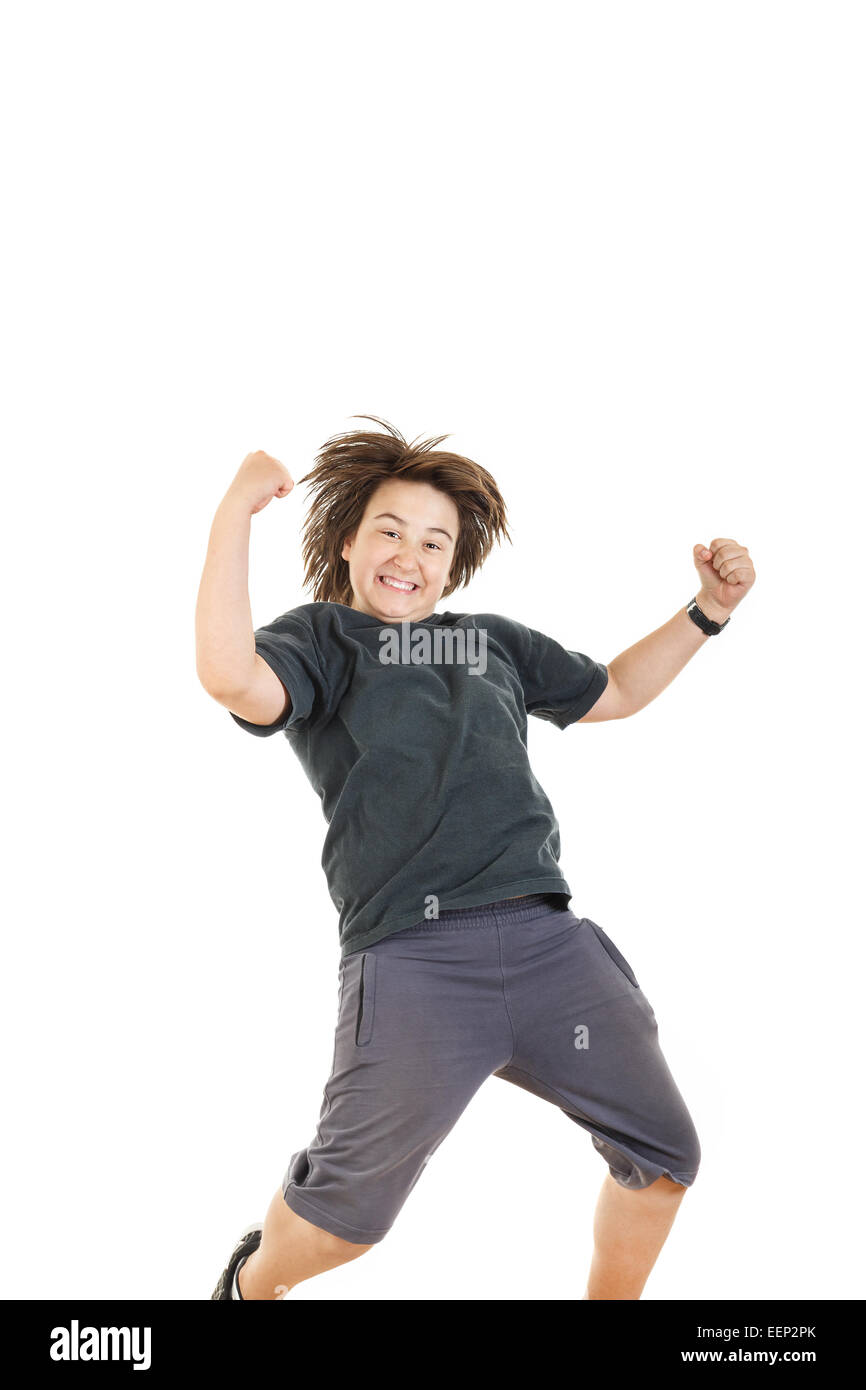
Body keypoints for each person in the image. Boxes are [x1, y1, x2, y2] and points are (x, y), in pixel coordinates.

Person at [196, 415, 755, 1300]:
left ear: (451, 568)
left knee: (663, 1154)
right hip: (414, 964)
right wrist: (235, 511)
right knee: (347, 1221)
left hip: (549, 949)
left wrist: (708, 613)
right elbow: (233, 678)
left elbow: (613, 690)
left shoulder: (488, 640)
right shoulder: (323, 643)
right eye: (388, 530)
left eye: (433, 541)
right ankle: (252, 1283)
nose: (407, 554)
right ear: (347, 543)